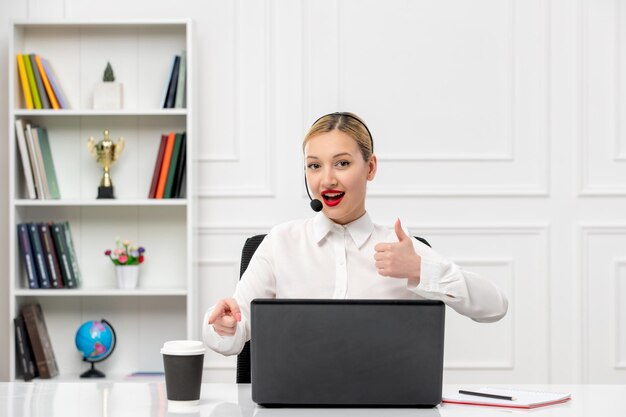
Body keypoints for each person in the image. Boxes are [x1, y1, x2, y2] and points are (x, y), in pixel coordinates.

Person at [203, 112, 508, 356]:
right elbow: (229, 338)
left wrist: (420, 270)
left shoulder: (399, 249)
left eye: (343, 163)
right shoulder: (281, 242)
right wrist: (224, 326)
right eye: (314, 166)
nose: (327, 179)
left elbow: (494, 307)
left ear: (370, 167)